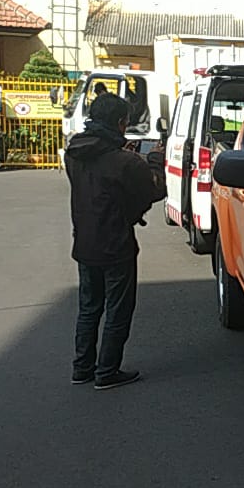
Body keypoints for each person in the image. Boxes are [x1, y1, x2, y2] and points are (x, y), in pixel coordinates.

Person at [65, 94, 161, 389]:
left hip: (84, 243)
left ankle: (82, 368)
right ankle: (107, 371)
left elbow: (101, 180)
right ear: (121, 123)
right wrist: (154, 158)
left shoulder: (74, 152)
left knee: (89, 307)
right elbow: (154, 190)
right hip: (116, 245)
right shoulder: (125, 161)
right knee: (118, 309)